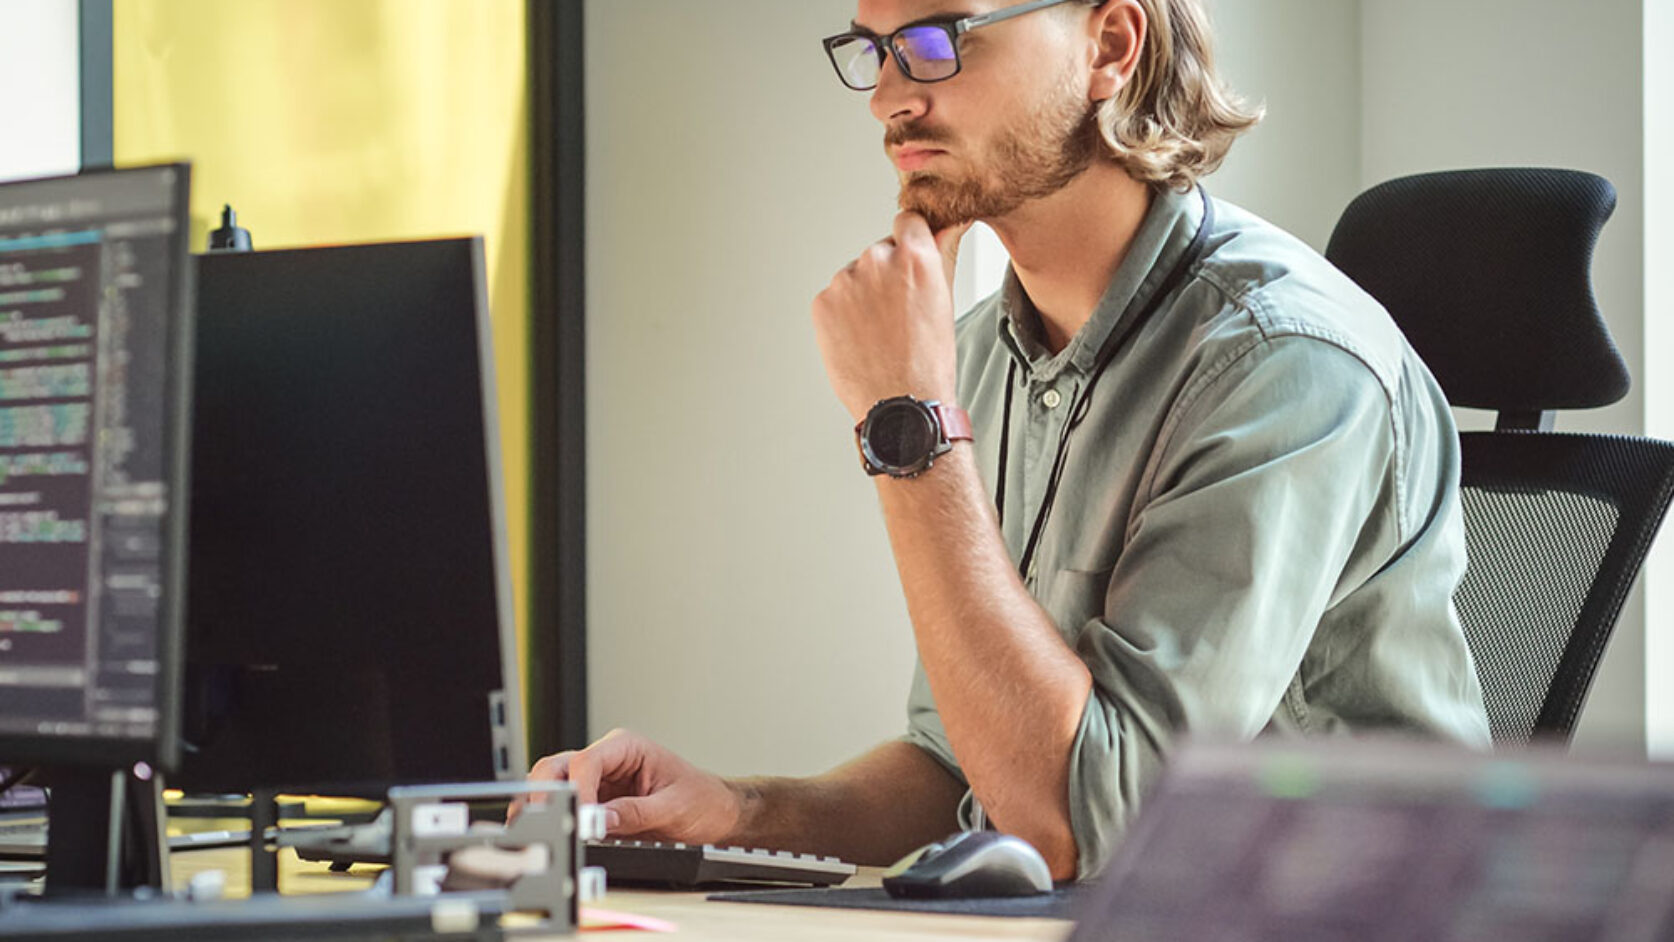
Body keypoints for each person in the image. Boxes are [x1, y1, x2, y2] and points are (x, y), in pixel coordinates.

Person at [525, 0, 1491, 881]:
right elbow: (963, 769)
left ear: (1110, 46)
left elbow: (1086, 824)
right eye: (875, 51)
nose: (889, 99)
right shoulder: (982, 351)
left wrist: (909, 424)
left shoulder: (1285, 363)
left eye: (938, 40)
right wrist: (736, 814)